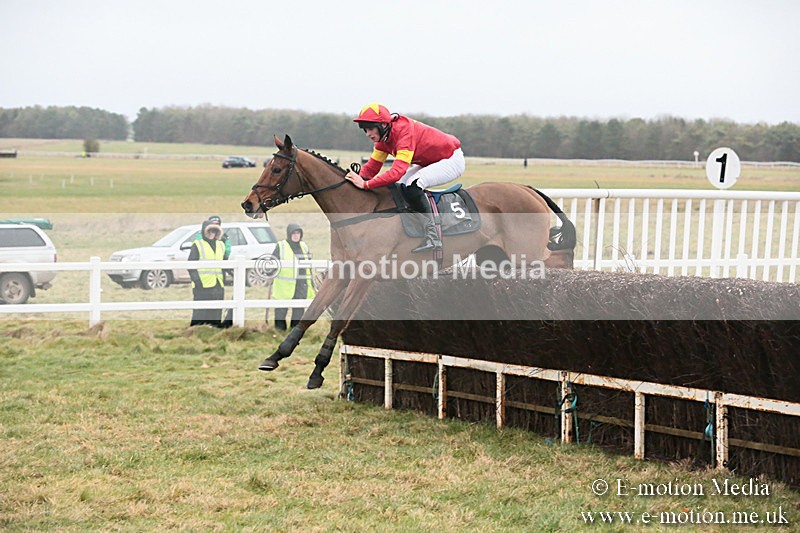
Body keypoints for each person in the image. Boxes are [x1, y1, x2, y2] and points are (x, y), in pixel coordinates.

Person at [344, 103, 465, 253]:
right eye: (365, 130)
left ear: (382, 125)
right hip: (430, 161)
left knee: (413, 185)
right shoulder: (382, 140)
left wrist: (366, 185)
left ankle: (433, 236)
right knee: (398, 187)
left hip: (451, 159)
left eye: (370, 129)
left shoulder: (404, 132)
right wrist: (353, 180)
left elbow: (396, 172)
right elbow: (371, 168)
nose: (368, 134)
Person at [271, 223, 315, 331]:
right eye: (294, 233)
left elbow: (309, 264)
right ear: (289, 234)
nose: (296, 235)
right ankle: (280, 331)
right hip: (284, 286)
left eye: (298, 233)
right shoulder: (281, 246)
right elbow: (272, 262)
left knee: (299, 309)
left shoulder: (304, 246)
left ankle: (295, 330)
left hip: (301, 283)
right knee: (281, 310)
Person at [188, 217, 229, 327]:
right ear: (204, 232)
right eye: (209, 231)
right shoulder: (197, 244)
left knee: (216, 310)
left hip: (218, 283)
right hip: (202, 284)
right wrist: (197, 281)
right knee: (200, 311)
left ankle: (214, 329)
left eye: (214, 231)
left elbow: (225, 263)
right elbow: (190, 265)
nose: (212, 233)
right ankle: (197, 330)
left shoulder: (221, 245)